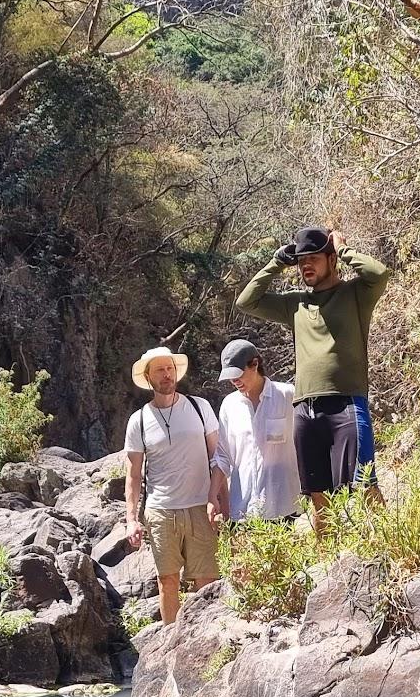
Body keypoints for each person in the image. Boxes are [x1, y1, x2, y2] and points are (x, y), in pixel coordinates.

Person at [234, 224, 390, 522]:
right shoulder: (295, 303)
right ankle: (330, 562)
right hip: (305, 408)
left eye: (314, 258)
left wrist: (343, 249)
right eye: (302, 260)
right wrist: (277, 261)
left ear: (331, 260)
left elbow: (379, 273)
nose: (306, 264)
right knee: (318, 496)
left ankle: (392, 550)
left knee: (365, 484)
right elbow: (246, 302)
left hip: (346, 402)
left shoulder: (355, 294)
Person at [123, 345, 228, 625]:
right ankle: (171, 644)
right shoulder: (139, 421)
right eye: (160, 370)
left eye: (170, 368)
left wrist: (222, 503)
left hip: (199, 507)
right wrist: (131, 520)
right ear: (148, 378)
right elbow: (133, 474)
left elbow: (219, 459)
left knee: (208, 581)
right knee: (167, 581)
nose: (167, 375)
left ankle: (207, 641)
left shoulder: (199, 407)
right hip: (160, 511)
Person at [213, 338, 300, 522]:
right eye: (230, 377)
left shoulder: (287, 395)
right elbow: (222, 456)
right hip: (243, 509)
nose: (234, 381)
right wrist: (212, 496)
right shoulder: (229, 405)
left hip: (284, 506)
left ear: (255, 364)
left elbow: (306, 443)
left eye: (238, 374)